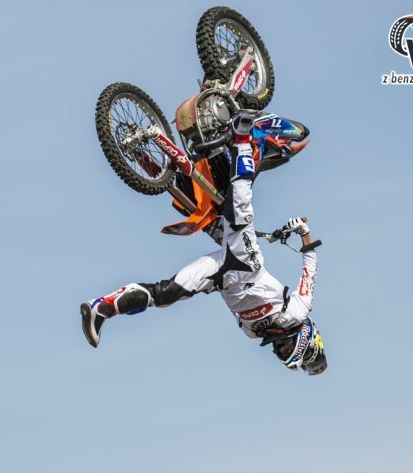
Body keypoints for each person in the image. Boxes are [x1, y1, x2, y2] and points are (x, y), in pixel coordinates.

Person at [79, 112, 327, 375]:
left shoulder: (252, 333)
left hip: (219, 276)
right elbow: (309, 271)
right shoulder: (297, 312)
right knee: (240, 202)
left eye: (281, 354)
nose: (281, 350)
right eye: (288, 351)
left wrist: (209, 279)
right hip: (246, 262)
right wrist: (304, 232)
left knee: (166, 294)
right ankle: (243, 135)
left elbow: (232, 302)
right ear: (308, 342)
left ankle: (101, 308)